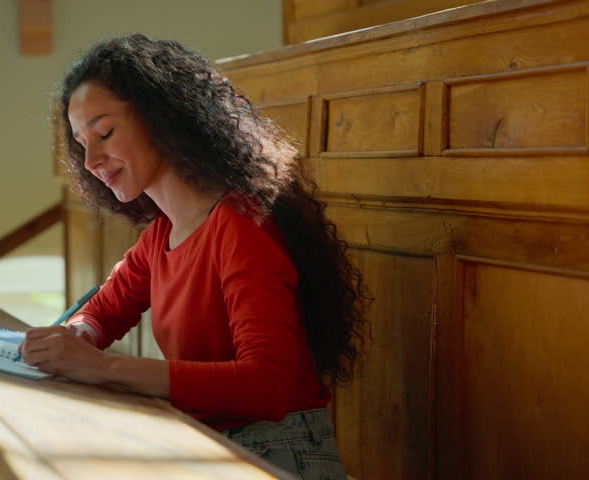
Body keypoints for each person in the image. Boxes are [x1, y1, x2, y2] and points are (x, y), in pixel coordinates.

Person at [19, 34, 368, 480]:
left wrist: (101, 367)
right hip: (211, 443)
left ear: (163, 120)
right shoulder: (162, 233)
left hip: (279, 453)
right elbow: (102, 313)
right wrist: (76, 335)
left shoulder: (241, 227)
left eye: (105, 133)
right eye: (81, 143)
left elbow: (267, 385)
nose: (91, 161)